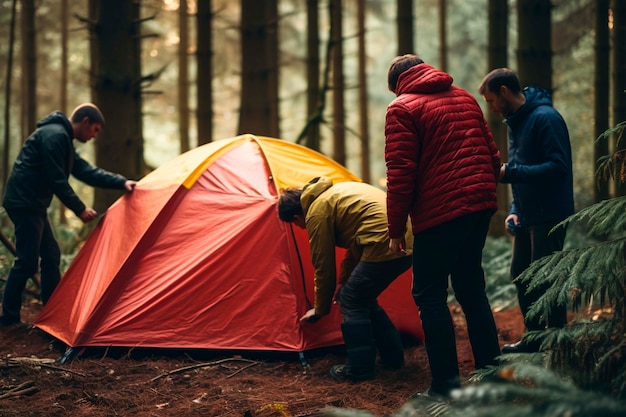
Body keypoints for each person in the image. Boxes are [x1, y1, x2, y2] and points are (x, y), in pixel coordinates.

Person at [384, 54, 502, 397]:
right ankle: (492, 378)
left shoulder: (402, 108)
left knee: (429, 295)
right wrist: (483, 192)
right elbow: (492, 154)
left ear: (398, 85)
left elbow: (400, 173)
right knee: (471, 290)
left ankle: (446, 387)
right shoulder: (465, 96)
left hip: (441, 213)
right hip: (480, 205)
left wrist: (395, 229)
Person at [0, 103, 137, 326]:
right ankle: (9, 318)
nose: (93, 136)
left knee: (51, 255)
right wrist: (80, 208)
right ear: (85, 122)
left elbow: (86, 171)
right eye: (95, 130)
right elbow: (56, 180)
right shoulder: (54, 136)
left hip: (33, 205)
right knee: (26, 262)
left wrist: (121, 182)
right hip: (25, 204)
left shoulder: (62, 140)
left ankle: (52, 311)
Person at [277, 176, 413, 382]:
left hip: (384, 242)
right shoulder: (335, 194)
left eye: (297, 225)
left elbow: (323, 265)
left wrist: (320, 308)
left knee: (352, 299)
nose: (301, 228)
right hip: (406, 242)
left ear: (296, 216)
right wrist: (343, 281)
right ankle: (393, 359)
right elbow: (355, 245)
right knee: (363, 297)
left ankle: (359, 370)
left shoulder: (317, 211)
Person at [478, 68, 574, 353]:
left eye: (491, 100)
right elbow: (521, 168)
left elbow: (558, 167)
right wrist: (514, 208)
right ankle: (534, 338)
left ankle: (558, 342)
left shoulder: (546, 118)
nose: (491, 108)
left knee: (547, 279)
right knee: (521, 274)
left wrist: (509, 172)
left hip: (551, 214)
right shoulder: (515, 121)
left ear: (505, 92)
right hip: (527, 214)